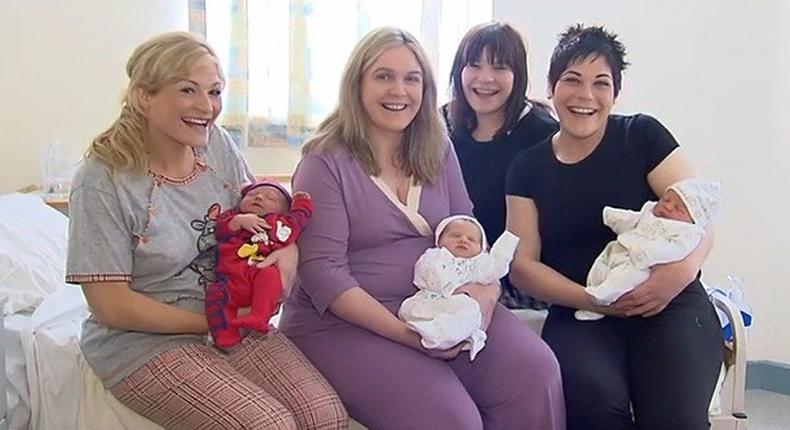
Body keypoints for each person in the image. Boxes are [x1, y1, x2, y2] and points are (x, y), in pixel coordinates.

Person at [278, 27, 565, 430]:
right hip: (344, 324)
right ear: (357, 83)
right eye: (384, 76)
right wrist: (411, 335)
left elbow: (469, 232)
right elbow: (324, 274)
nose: (399, 90)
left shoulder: (438, 147)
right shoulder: (324, 163)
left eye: (411, 79)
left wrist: (483, 301)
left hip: (441, 305)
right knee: (451, 419)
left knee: (535, 372)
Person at [65, 32, 346, 430]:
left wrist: (289, 254)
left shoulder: (216, 145)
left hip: (229, 313)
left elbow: (263, 217)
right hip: (142, 342)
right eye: (188, 90)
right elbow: (111, 305)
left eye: (215, 92)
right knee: (268, 425)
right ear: (145, 96)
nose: (207, 107)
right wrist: (215, 321)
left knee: (325, 416)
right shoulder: (103, 179)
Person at [506, 24, 723, 430]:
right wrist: (593, 300)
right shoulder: (527, 168)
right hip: (581, 312)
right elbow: (523, 266)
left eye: (600, 83)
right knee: (595, 405)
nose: (585, 96)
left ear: (614, 93)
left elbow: (700, 214)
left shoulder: (641, 135)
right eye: (572, 80)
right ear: (551, 88)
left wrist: (675, 276)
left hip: (669, 301)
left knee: (675, 415)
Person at [446, 21, 559, 309]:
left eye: (499, 67)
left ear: (517, 76)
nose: (485, 78)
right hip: (451, 263)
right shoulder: (441, 126)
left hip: (517, 278)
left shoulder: (542, 134)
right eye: (474, 65)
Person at [576, 179, 722, 320]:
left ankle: (604, 294)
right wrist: (613, 217)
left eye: (678, 208)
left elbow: (675, 250)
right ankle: (593, 303)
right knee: (601, 265)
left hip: (643, 264)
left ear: (693, 220)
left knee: (626, 277)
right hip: (621, 249)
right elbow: (632, 220)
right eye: (666, 199)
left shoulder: (687, 233)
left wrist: (648, 254)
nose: (668, 206)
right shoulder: (650, 211)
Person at [208, 179, 313, 348]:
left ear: (284, 210)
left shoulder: (280, 225)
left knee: (271, 276)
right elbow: (220, 230)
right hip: (230, 279)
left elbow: (299, 219)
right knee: (216, 295)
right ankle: (224, 335)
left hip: (259, 274)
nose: (259, 197)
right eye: (251, 195)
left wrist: (302, 202)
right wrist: (238, 221)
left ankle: (259, 316)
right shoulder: (234, 217)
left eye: (271, 198)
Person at [398, 215, 519, 360]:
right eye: (455, 235)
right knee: (408, 306)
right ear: (439, 241)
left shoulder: (479, 264)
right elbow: (422, 275)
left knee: (471, 310)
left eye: (471, 239)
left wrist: (507, 243)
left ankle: (440, 335)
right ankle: (424, 328)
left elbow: (496, 268)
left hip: (458, 305)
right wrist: (447, 288)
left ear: (481, 248)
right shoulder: (434, 256)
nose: (463, 240)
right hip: (431, 299)